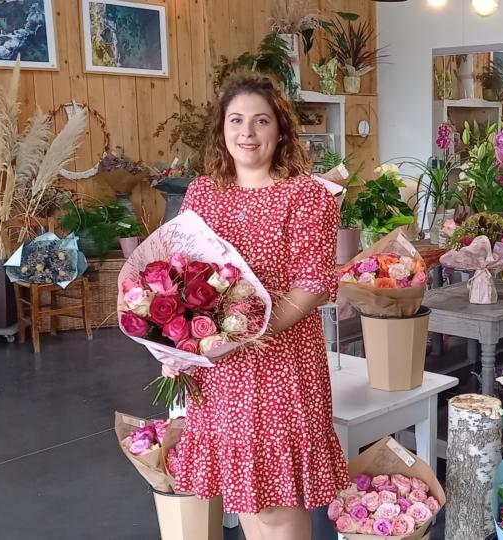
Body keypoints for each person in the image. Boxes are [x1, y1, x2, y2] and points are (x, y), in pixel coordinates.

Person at [166, 72, 349, 540]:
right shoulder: (202, 192)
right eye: (236, 120)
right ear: (222, 128)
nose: (247, 132)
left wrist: (249, 333)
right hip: (220, 368)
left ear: (281, 130)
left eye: (261, 120)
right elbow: (179, 273)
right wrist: (174, 341)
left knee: (275, 501)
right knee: (245, 488)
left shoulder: (306, 194)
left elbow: (313, 284)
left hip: (279, 363)